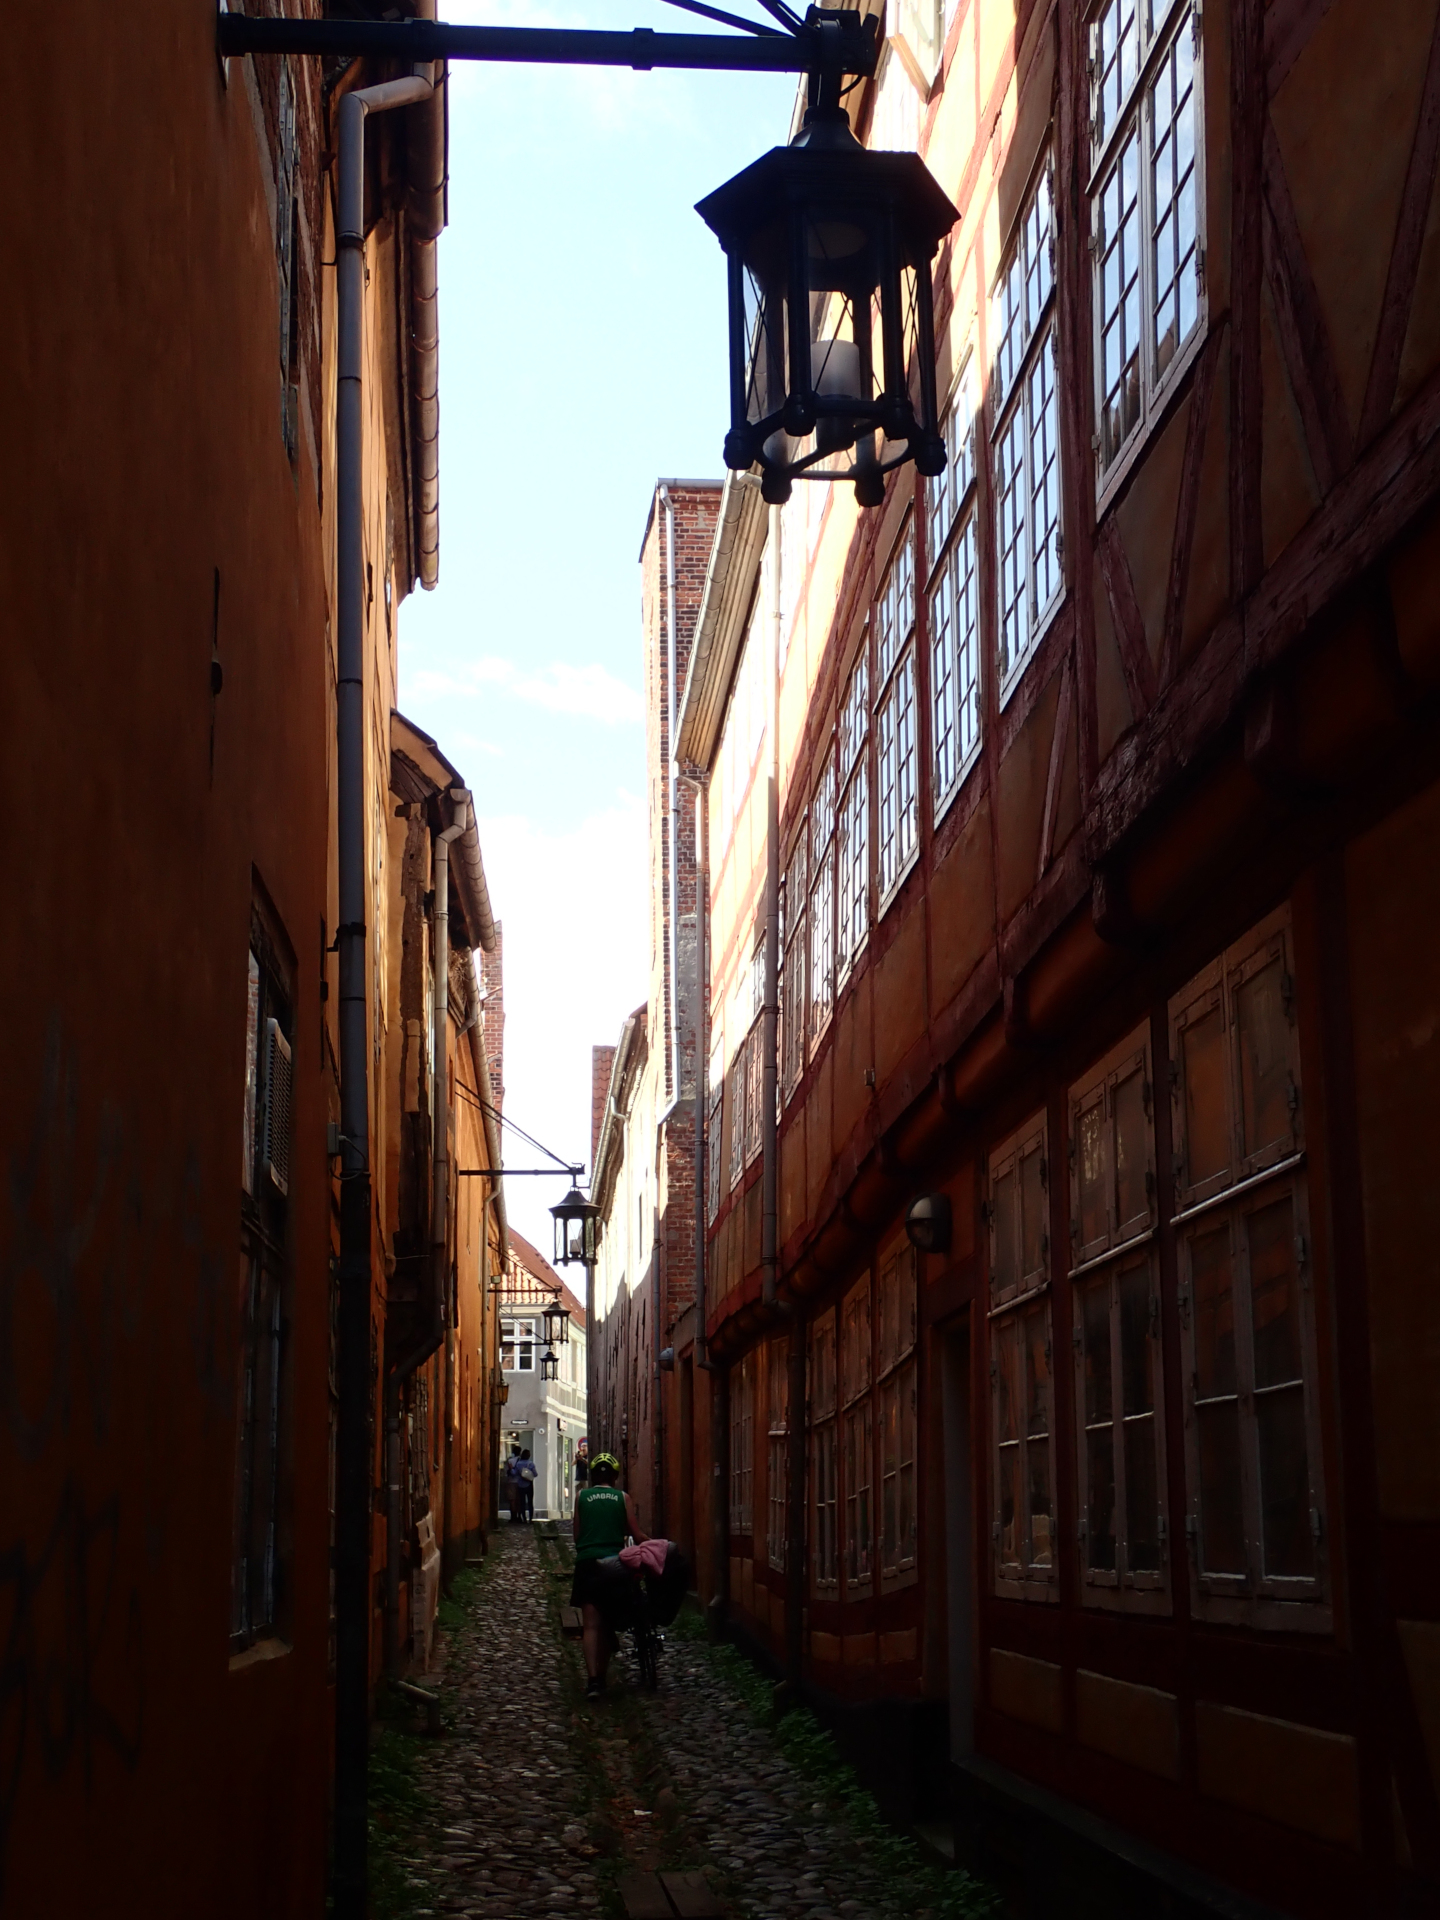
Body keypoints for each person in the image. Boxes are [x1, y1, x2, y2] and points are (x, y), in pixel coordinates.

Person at [571, 1453, 646, 1698]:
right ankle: (602, 1676)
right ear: (614, 1477)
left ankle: (593, 1680)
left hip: (587, 1563)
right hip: (614, 1565)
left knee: (590, 1626)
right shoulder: (622, 1498)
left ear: (593, 1475)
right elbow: (636, 1534)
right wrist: (655, 1545)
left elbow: (577, 1535)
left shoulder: (581, 1497)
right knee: (607, 1623)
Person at [518, 1446, 538, 1522]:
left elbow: (514, 1473)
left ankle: (523, 1518)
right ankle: (530, 1518)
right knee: (530, 1502)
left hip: (520, 1484)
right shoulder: (530, 1464)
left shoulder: (518, 1463)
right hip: (529, 1484)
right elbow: (535, 1474)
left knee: (522, 1502)